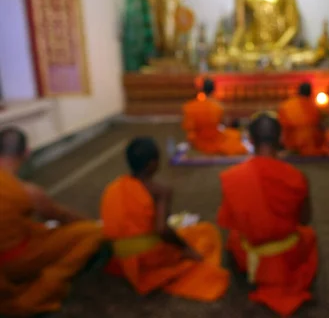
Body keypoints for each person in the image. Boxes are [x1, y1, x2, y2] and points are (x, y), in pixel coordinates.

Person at [100, 137, 229, 301]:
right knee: (205, 231)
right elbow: (162, 230)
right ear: (153, 164)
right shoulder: (160, 191)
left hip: (122, 259)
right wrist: (186, 248)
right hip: (149, 257)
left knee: (183, 232)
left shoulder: (113, 187)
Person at [217, 113, 318, 316]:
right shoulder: (297, 176)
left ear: (250, 140)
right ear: (281, 139)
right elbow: (305, 219)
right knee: (308, 236)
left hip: (249, 256)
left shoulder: (233, 176)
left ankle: (253, 276)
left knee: (233, 238)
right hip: (285, 259)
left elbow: (231, 221)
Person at [0, 127, 104, 316]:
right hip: (13, 262)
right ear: (26, 153)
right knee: (93, 234)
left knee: (34, 228)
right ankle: (46, 285)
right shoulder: (26, 191)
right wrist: (90, 224)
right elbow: (61, 216)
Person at [182, 78, 248, 155]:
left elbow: (188, 128)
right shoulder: (217, 107)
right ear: (213, 90)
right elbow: (223, 124)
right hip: (214, 140)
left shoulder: (189, 106)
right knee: (235, 135)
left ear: (202, 89)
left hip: (197, 141)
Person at [278, 82, 329, 156]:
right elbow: (321, 127)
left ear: (298, 92)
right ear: (310, 94)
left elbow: (281, 128)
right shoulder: (313, 107)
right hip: (310, 148)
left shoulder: (286, 106)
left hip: (291, 147)